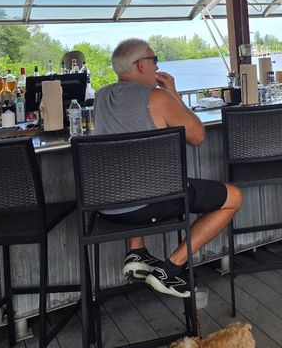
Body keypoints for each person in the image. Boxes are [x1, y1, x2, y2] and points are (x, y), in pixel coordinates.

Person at [94, 38, 242, 298]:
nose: (156, 66)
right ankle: (170, 268)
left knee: (133, 174)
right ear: (140, 65)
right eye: (154, 61)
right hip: (151, 202)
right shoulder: (157, 97)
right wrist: (172, 93)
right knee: (234, 197)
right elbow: (197, 136)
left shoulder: (101, 96)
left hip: (107, 203)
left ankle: (137, 252)